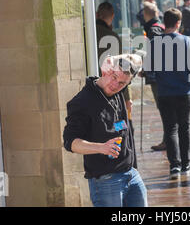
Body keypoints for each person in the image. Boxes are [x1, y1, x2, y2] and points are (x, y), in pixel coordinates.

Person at [63, 54, 147, 207]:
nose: (116, 85)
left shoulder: (118, 93)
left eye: (122, 83)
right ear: (106, 71)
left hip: (131, 174)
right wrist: (101, 148)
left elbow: (137, 58)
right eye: (114, 77)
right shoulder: (82, 102)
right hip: (106, 180)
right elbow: (70, 142)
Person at [149, 8, 190, 179]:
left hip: (164, 92)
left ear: (165, 23)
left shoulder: (155, 43)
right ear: (178, 23)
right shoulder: (186, 41)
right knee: (184, 128)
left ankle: (174, 166)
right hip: (184, 92)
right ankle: (185, 163)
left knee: (170, 128)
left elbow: (149, 69)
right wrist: (189, 84)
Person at [95, 2, 132, 119]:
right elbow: (122, 69)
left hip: (89, 87)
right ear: (112, 16)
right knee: (116, 123)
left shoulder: (84, 34)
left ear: (96, 15)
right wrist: (127, 98)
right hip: (110, 90)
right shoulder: (113, 37)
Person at [141, 2, 167, 151]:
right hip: (161, 74)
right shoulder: (160, 26)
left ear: (146, 14)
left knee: (163, 108)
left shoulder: (153, 29)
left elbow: (156, 52)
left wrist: (148, 68)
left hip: (158, 76)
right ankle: (168, 139)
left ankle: (167, 140)